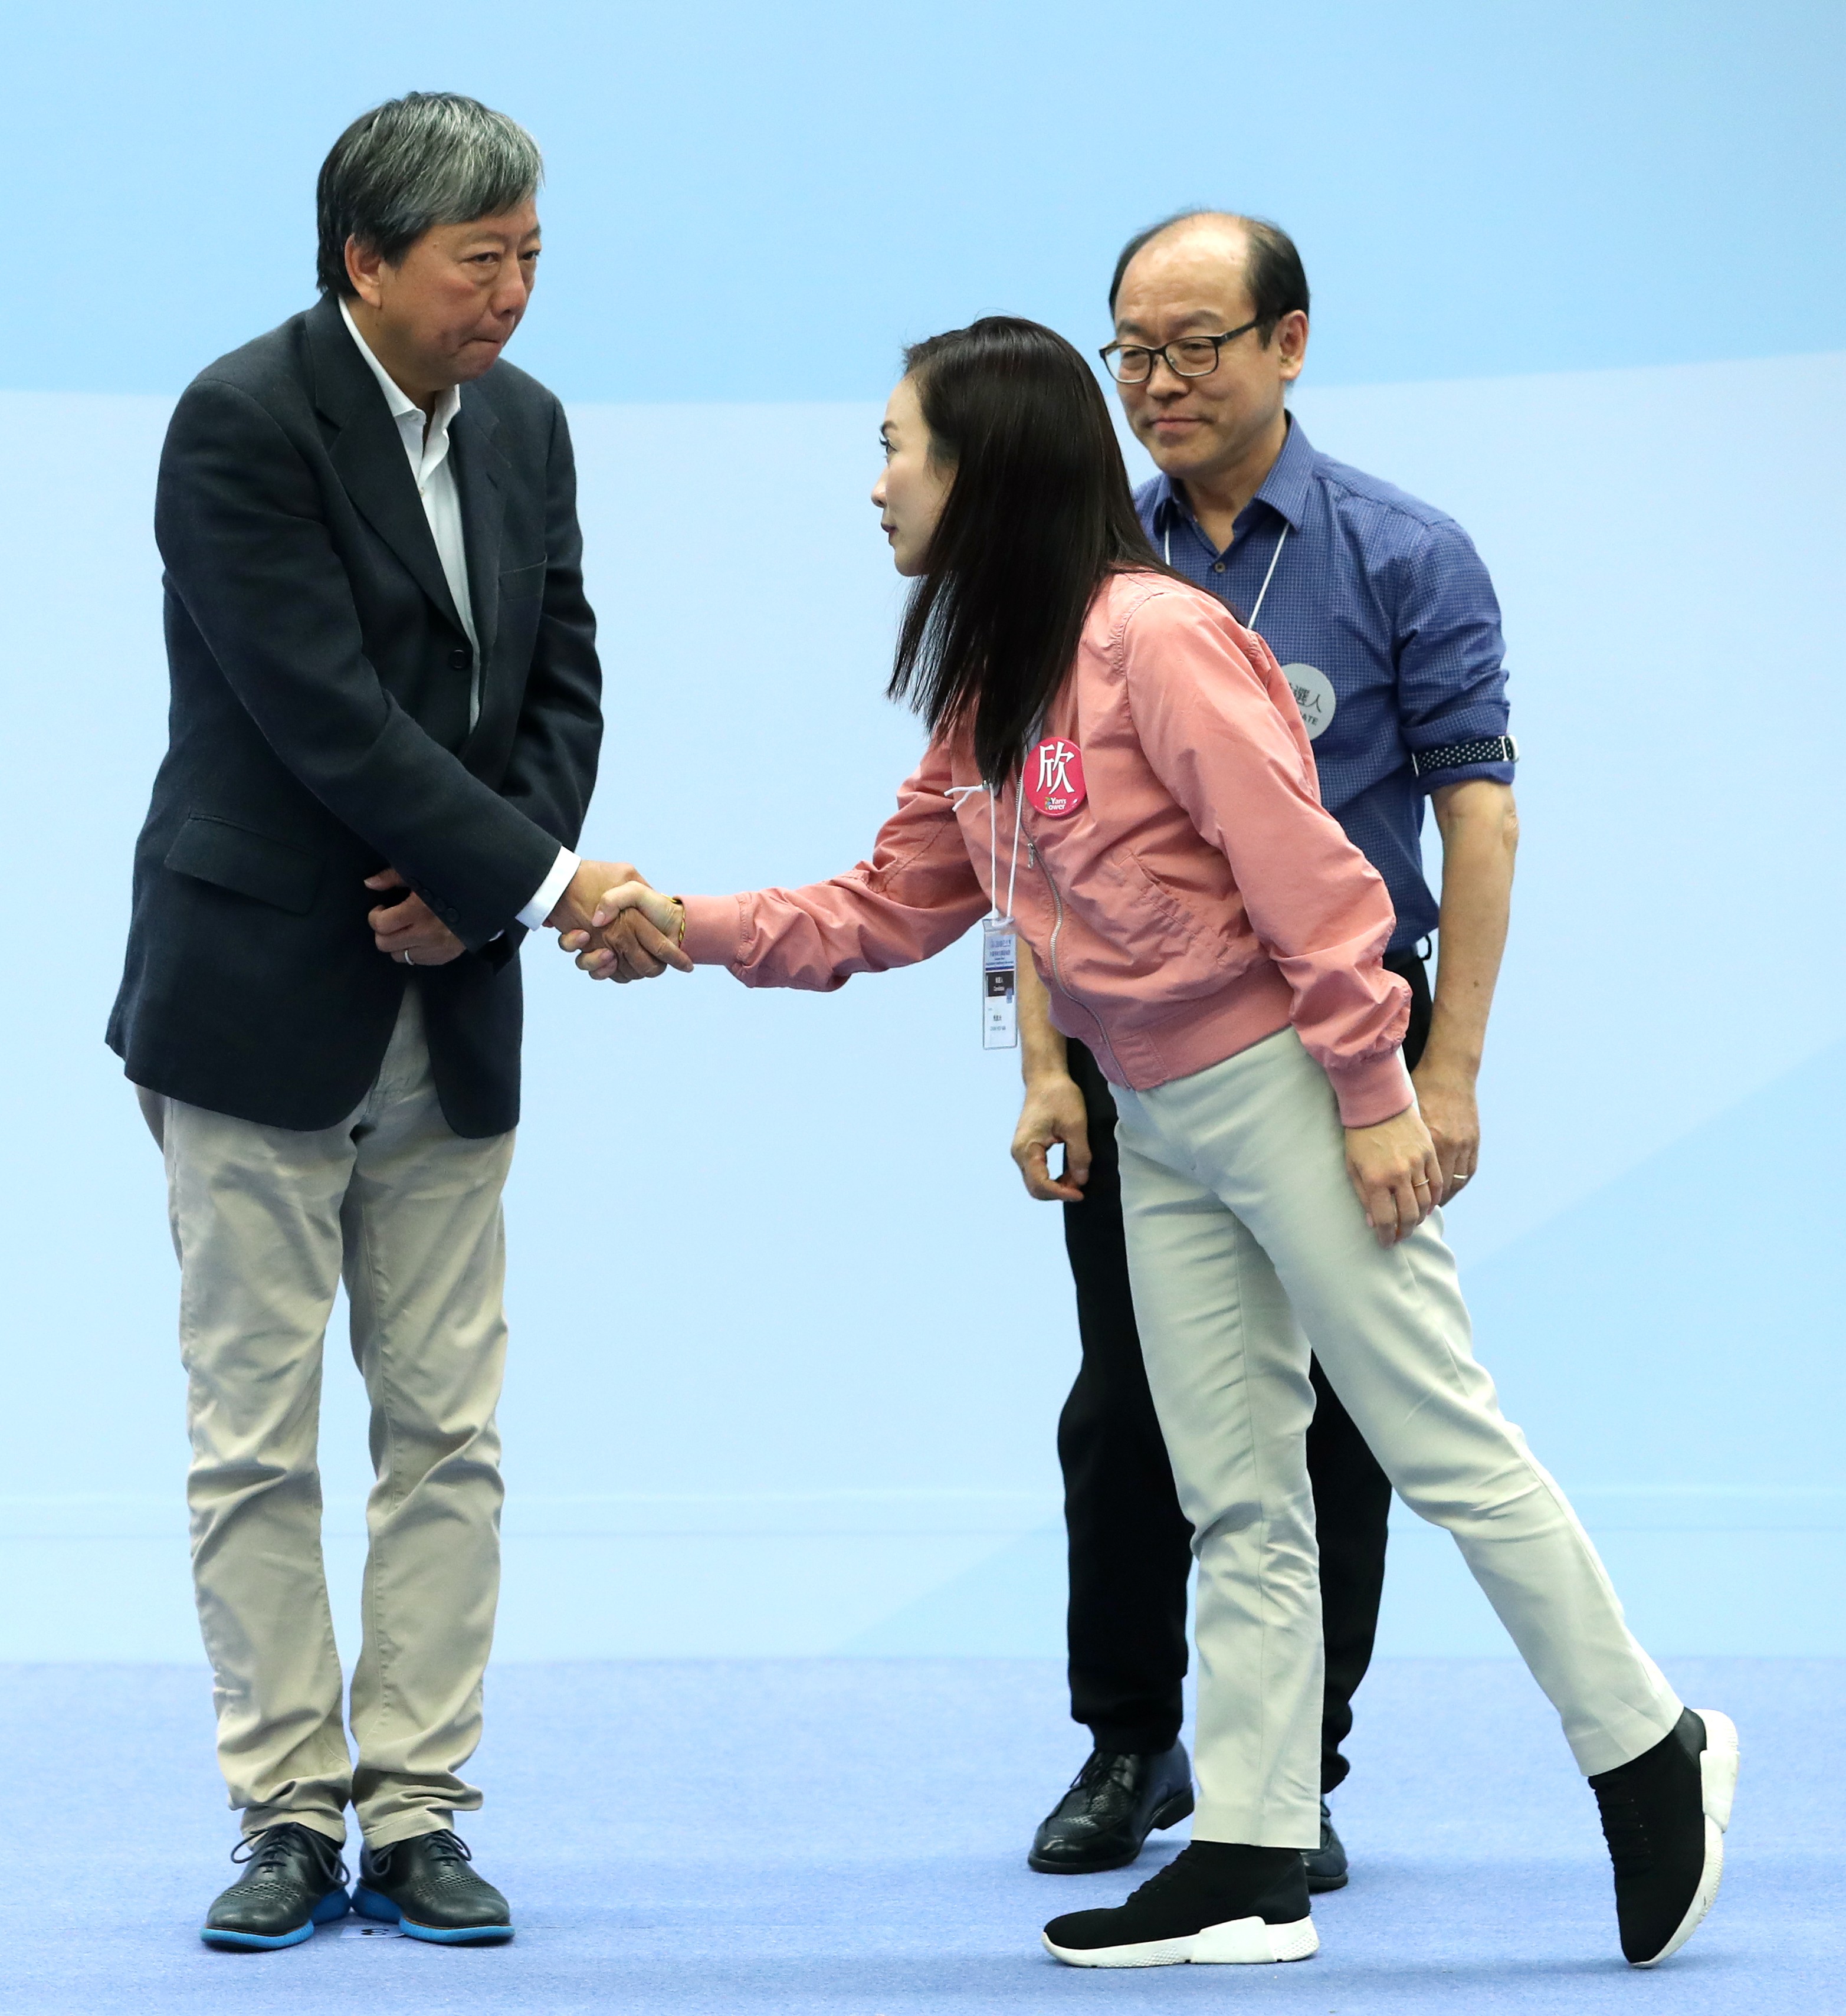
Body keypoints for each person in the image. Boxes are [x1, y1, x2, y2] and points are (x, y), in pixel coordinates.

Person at [569, 317, 1735, 1972]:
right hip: (1154, 1113)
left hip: (1288, 1083)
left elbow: (1316, 884)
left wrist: (1377, 1094)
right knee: (1234, 1488)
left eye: (898, 446)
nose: (876, 482)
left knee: (1436, 1439)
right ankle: (1250, 1853)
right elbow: (885, 904)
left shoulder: (1152, 642)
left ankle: (1647, 1750)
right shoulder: (992, 678)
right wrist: (672, 921)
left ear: (990, 470)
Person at [109, 93, 648, 1951]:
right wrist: (550, 885)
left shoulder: (531, 428)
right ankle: (281, 1807)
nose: (509, 296)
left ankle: (417, 1808)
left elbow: (564, 678)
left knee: (449, 1431)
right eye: (475, 262)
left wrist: (491, 883)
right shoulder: (240, 421)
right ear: (363, 259)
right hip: (259, 997)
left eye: (529, 260)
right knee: (252, 1437)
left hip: (454, 999)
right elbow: (315, 711)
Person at [1012, 210, 1521, 1889]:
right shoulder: (1089, 568)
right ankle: (1126, 1742)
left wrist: (1439, 1074)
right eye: (1129, 353)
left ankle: (1290, 1770)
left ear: (1287, 345)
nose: (1156, 382)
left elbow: (1474, 817)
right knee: (1129, 1409)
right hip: (1127, 1049)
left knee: (1346, 1416)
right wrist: (1037, 1065)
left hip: (1332, 1048)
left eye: (1193, 346)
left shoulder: (1400, 552)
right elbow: (1019, 834)